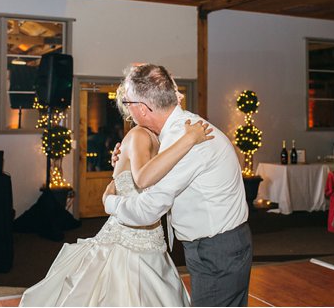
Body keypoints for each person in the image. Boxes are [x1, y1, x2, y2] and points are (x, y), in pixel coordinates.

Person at [98, 64, 251, 307]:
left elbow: (149, 208)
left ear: (142, 108)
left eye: (127, 103)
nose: (126, 110)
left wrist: (109, 201)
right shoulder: (173, 134)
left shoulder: (187, 142)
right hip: (214, 245)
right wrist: (123, 163)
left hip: (216, 250)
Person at [21, 118, 216, 306]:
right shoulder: (140, 135)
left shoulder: (157, 139)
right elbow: (145, 182)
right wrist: (189, 140)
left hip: (149, 235)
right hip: (130, 236)